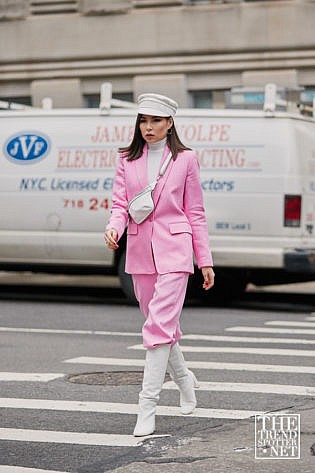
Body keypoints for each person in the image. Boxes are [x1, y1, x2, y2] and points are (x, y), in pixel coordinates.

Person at [104, 93, 215, 437]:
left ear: (170, 123)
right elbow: (120, 203)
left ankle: (146, 407)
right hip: (139, 251)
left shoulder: (186, 160)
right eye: (143, 121)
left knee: (156, 330)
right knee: (161, 326)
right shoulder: (126, 158)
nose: (148, 128)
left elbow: (195, 212)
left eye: (155, 121)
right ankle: (184, 379)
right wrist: (113, 227)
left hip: (176, 250)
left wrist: (205, 260)